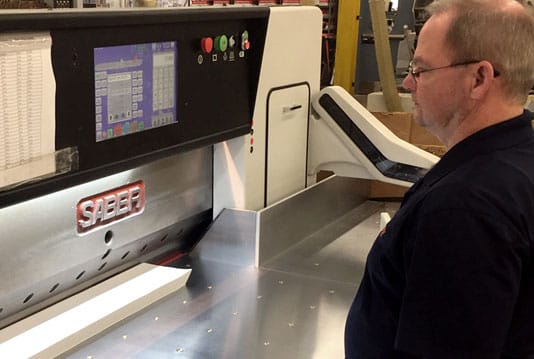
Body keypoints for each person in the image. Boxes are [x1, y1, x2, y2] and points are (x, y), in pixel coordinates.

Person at [344, 0, 534, 358]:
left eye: (421, 70)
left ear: (479, 78)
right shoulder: (517, 161)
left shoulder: (467, 209)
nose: (407, 82)